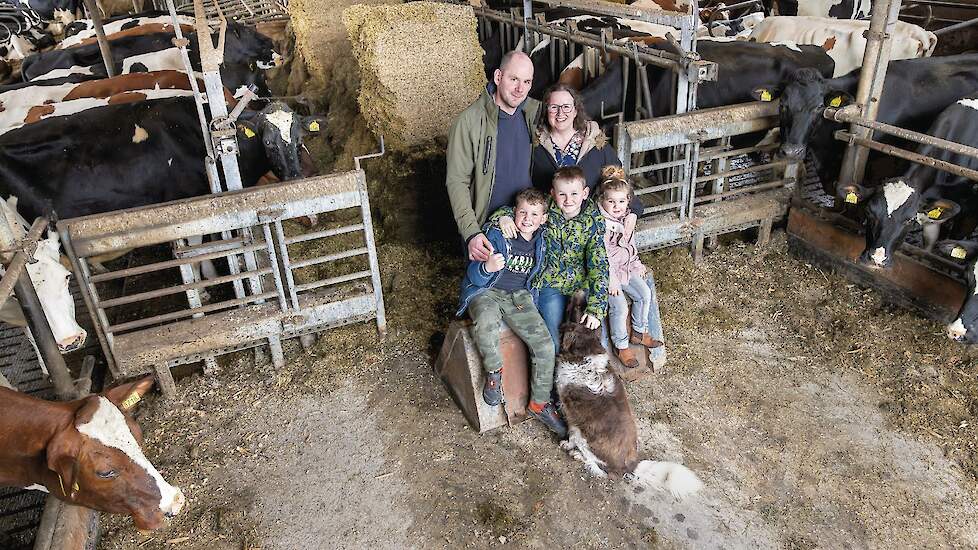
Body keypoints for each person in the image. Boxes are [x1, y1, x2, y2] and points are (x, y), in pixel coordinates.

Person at [456, 188, 567, 438]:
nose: (527, 219)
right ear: (514, 212)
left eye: (534, 214)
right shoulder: (497, 234)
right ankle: (494, 372)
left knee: (545, 345)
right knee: (486, 323)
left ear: (543, 219)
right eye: (522, 212)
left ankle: (539, 403)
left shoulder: (542, 239)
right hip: (487, 292)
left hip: (519, 297)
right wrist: (487, 267)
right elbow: (473, 275)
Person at [496, 166, 609, 352]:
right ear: (552, 193)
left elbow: (599, 266)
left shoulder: (593, 222)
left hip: (580, 286)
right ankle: (555, 367)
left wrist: (596, 309)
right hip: (550, 283)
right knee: (553, 339)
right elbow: (522, 210)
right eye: (562, 194)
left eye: (574, 193)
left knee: (590, 336)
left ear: (585, 193)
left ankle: (593, 368)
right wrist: (503, 217)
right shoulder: (546, 209)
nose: (568, 200)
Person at [446, 50, 542, 262]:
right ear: (498, 77)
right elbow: (457, 181)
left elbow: (568, 120)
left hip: (525, 227)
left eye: (526, 82)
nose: (520, 89)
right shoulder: (469, 122)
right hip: (487, 233)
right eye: (514, 79)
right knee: (484, 282)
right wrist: (471, 232)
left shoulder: (532, 115)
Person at [531, 83, 643, 213]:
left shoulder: (594, 142)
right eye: (554, 107)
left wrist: (633, 211)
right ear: (546, 110)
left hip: (589, 219)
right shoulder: (534, 144)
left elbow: (617, 178)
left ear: (575, 111)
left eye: (566, 107)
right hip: (547, 219)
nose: (560, 113)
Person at [597, 166, 664, 369]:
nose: (616, 206)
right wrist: (611, 279)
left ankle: (639, 332)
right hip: (607, 274)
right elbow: (600, 255)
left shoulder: (627, 219)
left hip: (625, 268)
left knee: (644, 293)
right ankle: (621, 345)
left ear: (628, 201)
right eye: (611, 201)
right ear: (602, 200)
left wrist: (636, 264)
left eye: (621, 201)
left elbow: (630, 246)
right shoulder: (600, 224)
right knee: (619, 306)